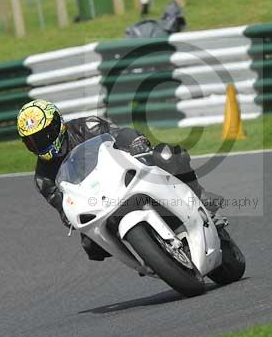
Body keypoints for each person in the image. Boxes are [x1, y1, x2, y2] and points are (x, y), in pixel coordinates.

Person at [16, 99, 224, 261]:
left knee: (167, 154)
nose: (39, 143)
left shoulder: (86, 127)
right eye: (32, 141)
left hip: (124, 174)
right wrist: (69, 216)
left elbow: (119, 134)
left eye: (42, 136)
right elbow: (63, 209)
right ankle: (145, 257)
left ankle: (198, 196)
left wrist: (136, 141)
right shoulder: (43, 178)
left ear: (56, 125)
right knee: (90, 245)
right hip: (98, 203)